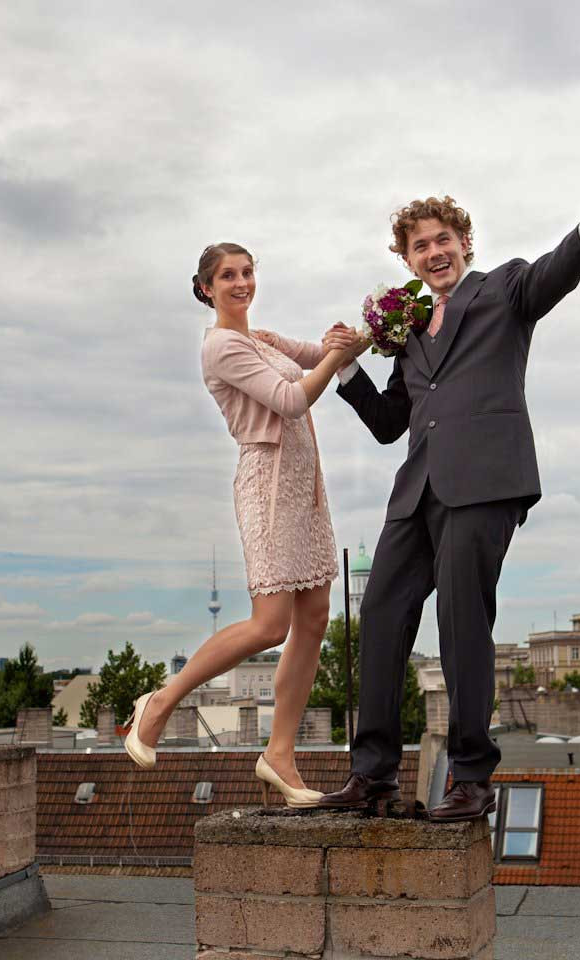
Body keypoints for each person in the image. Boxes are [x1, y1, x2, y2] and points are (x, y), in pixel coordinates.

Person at [319, 181, 580, 820]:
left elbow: (555, 274)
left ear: (464, 243)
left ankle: (469, 778)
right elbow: (388, 422)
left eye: (443, 240)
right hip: (416, 492)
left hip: (485, 484)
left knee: (461, 622)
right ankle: (371, 776)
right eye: (419, 245)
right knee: (379, 615)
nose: (434, 252)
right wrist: (348, 370)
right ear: (406, 260)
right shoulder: (405, 331)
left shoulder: (505, 290)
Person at [123, 242, 354, 808]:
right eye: (228, 275)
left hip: (304, 487)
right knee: (270, 625)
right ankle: (159, 701)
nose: (241, 282)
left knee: (316, 617)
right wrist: (335, 356)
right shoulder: (221, 347)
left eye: (247, 272)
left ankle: (279, 754)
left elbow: (325, 352)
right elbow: (291, 397)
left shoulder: (261, 338)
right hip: (267, 488)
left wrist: (368, 330)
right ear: (206, 288)